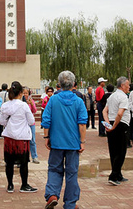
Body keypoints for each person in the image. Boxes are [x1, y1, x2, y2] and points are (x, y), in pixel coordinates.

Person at [42, 71, 87, 209]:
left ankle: (52, 195)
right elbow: (82, 124)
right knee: (72, 173)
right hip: (73, 143)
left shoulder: (53, 100)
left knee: (54, 169)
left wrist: (46, 137)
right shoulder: (79, 101)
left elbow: (46, 120)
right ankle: (70, 203)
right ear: (74, 84)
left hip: (56, 142)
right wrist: (82, 142)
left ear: (59, 84)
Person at [0, 81, 37, 193]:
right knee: (24, 163)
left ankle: (10, 185)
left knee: (9, 162)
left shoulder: (5, 106)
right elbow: (31, 121)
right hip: (22, 138)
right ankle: (24, 185)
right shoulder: (24, 106)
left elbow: (2, 121)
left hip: (9, 137)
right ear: (21, 93)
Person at [103, 77, 131, 186]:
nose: (129, 87)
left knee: (113, 150)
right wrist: (114, 126)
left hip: (112, 124)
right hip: (120, 125)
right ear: (122, 85)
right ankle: (113, 175)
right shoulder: (123, 97)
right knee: (121, 151)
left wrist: (108, 124)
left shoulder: (112, 96)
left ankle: (118, 174)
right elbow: (120, 114)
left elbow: (104, 111)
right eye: (128, 85)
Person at [23, 86, 39, 164]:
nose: (25, 94)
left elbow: (34, 111)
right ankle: (25, 157)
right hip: (23, 123)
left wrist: (32, 104)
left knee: (32, 140)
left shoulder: (31, 100)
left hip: (31, 123)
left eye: (26, 93)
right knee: (23, 141)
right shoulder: (20, 102)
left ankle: (34, 156)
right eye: (24, 93)